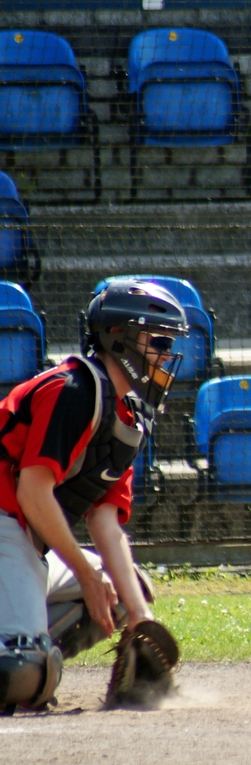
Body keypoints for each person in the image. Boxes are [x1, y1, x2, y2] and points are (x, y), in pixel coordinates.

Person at [0, 280, 187, 714]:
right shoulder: (72, 390)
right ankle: (24, 653)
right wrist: (85, 572)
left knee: (125, 589)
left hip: (21, 539)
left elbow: (105, 519)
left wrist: (141, 620)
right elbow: (32, 492)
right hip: (6, 522)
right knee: (23, 672)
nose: (167, 355)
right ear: (119, 337)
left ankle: (26, 644)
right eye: (159, 341)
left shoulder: (126, 416)